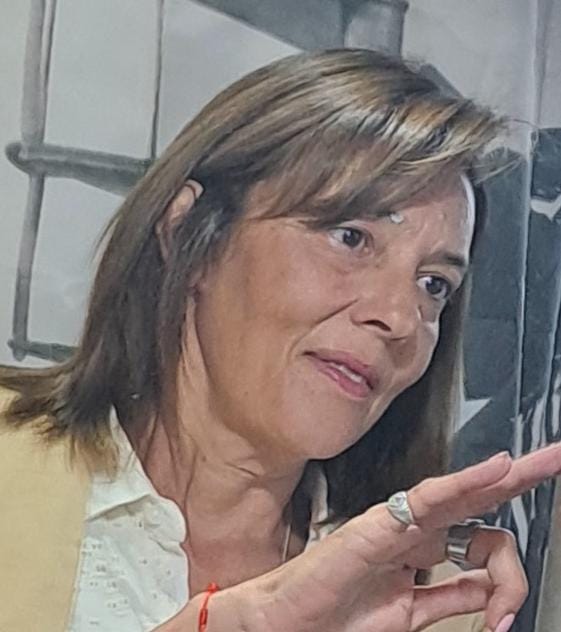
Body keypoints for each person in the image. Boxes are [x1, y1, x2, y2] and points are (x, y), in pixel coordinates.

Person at [0, 48, 558, 632]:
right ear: (189, 233)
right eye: (351, 237)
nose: (399, 317)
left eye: (433, 284)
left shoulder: (434, 607)